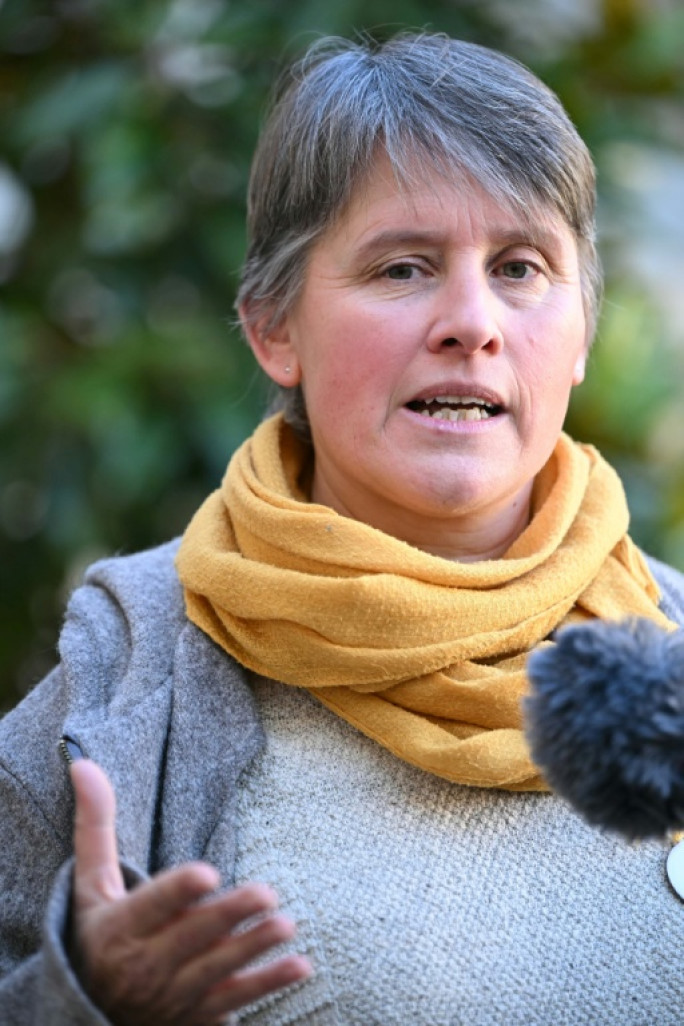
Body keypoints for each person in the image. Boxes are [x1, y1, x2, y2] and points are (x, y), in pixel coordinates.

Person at [1, 30, 684, 1026]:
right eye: (404, 268)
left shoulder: (668, 638)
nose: (471, 321)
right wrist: (84, 1001)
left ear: (580, 329)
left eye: (521, 267)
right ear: (276, 327)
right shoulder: (132, 665)